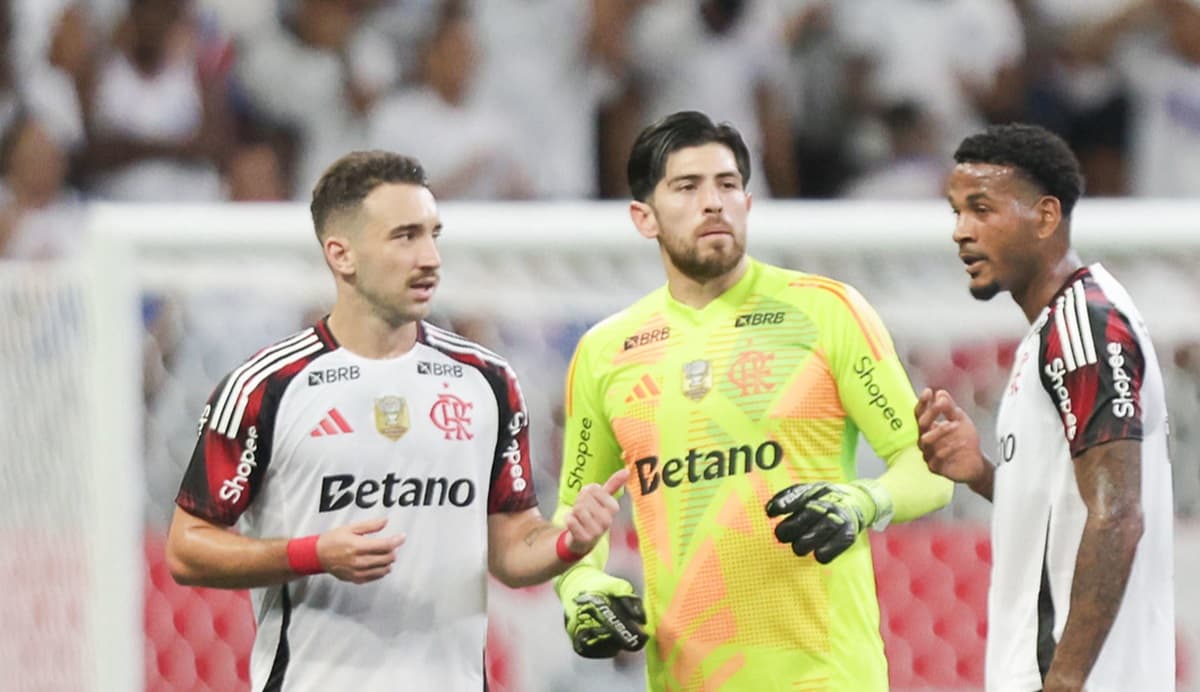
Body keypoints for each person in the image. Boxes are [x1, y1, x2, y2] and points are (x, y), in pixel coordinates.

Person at [164, 150, 628, 690]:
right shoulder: (265, 387)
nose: (430, 257)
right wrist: (312, 554)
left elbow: (510, 547)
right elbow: (187, 545)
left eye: (434, 234)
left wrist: (566, 542)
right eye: (405, 237)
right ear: (342, 255)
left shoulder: (488, 381)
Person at [551, 110, 954, 690]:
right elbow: (575, 510)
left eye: (728, 184)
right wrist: (585, 589)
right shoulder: (604, 352)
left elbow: (929, 466)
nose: (713, 202)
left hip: (826, 675)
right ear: (644, 217)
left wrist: (862, 502)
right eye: (687, 187)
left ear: (748, 203)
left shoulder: (825, 311)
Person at [919, 123, 1174, 691]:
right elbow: (1072, 509)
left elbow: (1118, 515)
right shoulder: (1058, 328)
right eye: (956, 211)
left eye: (981, 209)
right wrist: (983, 473)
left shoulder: (1083, 326)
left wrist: (1064, 681)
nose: (961, 232)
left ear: (1046, 216)